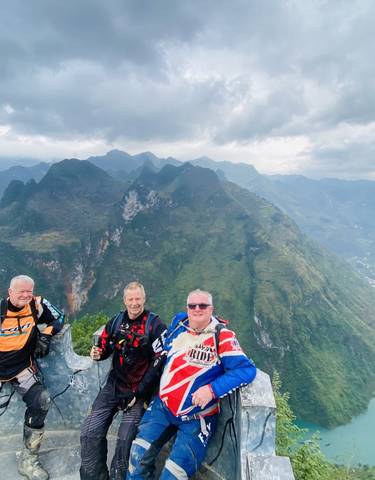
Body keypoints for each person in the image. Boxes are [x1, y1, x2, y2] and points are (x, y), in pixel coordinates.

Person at [127, 288, 257, 480]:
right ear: (187, 308)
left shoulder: (222, 336)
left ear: (211, 309)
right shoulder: (179, 323)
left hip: (198, 417)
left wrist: (212, 390)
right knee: (137, 460)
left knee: (174, 474)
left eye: (203, 305)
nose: (197, 309)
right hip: (163, 407)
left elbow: (246, 370)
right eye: (192, 305)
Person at [80, 281, 167, 480]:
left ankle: (118, 476)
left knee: (126, 439)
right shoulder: (117, 321)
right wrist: (97, 353)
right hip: (114, 385)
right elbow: (105, 346)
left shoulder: (154, 325)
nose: (134, 303)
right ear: (124, 300)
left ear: (144, 299)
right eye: (130, 299)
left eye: (138, 299)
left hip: (140, 391)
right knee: (88, 432)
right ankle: (94, 475)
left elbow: (159, 362)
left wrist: (139, 393)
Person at [0, 274, 64, 480]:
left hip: (21, 368)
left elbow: (59, 318)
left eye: (29, 291)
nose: (26, 295)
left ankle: (28, 459)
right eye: (21, 291)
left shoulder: (38, 305)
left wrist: (45, 335)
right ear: (10, 292)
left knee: (41, 400)